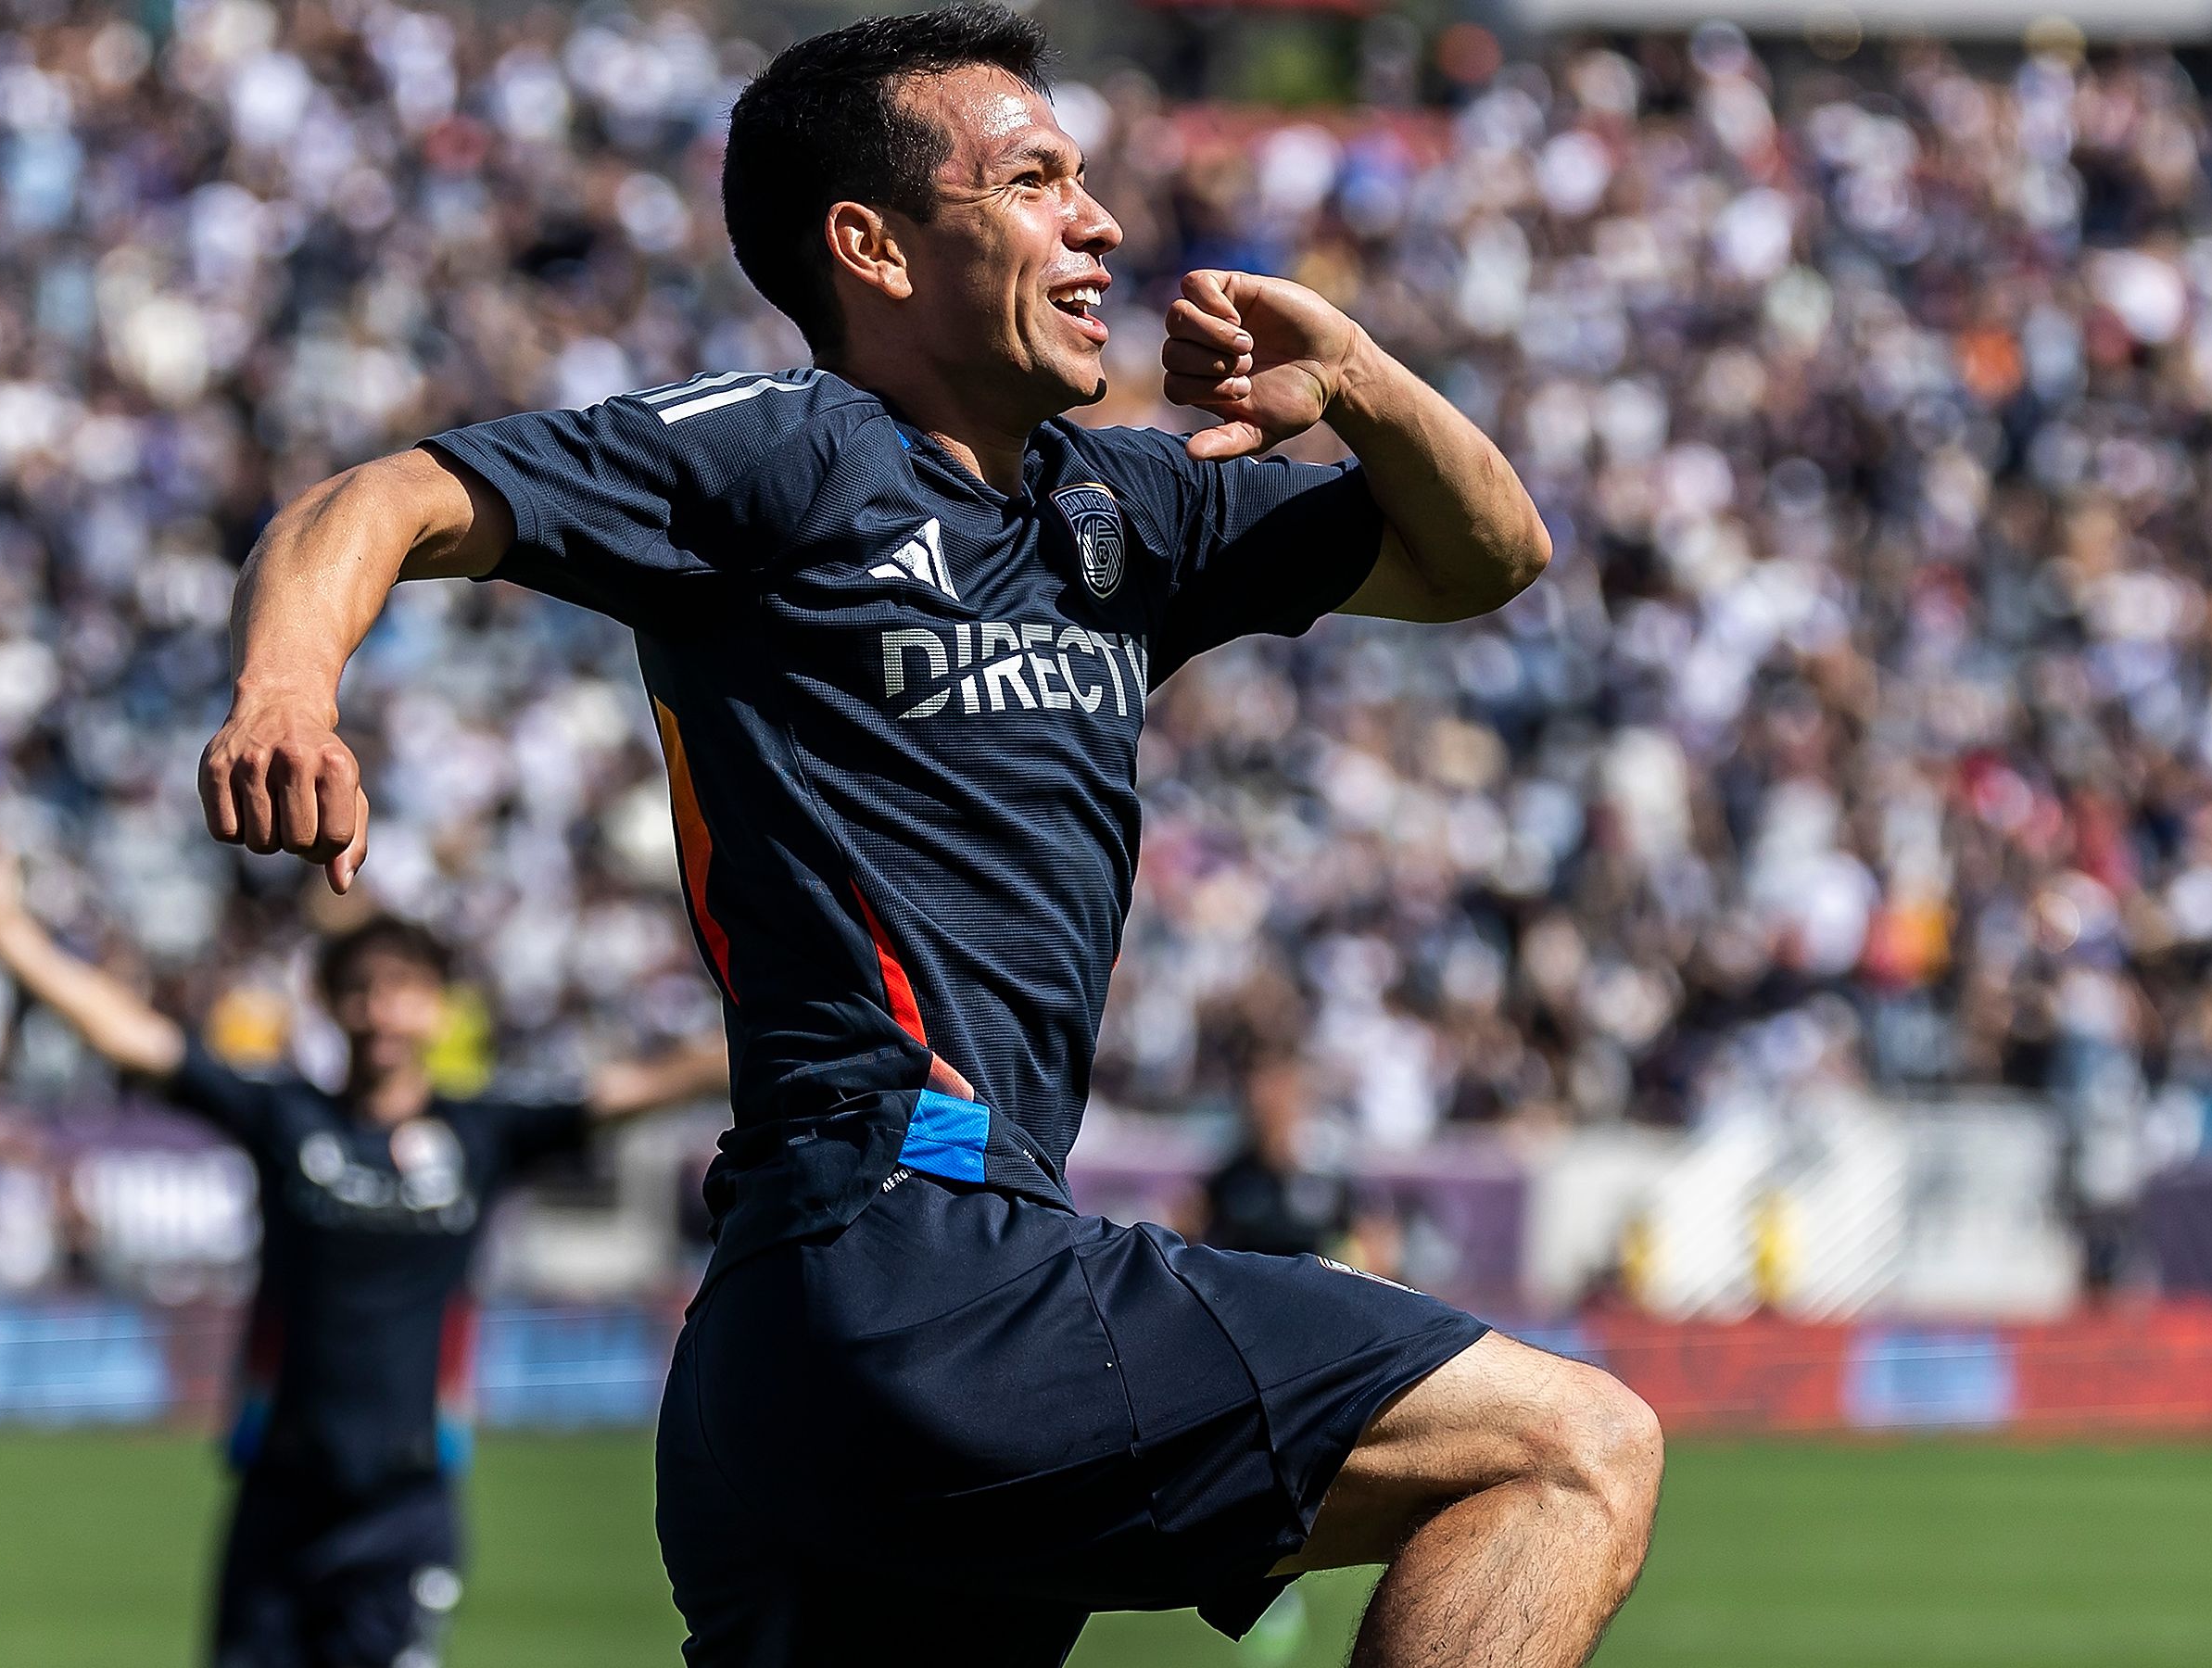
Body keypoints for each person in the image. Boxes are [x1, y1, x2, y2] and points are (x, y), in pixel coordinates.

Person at [191, 6, 1662, 1663]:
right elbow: (381, 497)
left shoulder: (1125, 512)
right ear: (873, 248)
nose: (1100, 221)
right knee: (1572, 1448)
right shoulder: (784, 455)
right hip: (909, 1258)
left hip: (827, 1341)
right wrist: (286, 694)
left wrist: (1364, 378)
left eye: (1087, 177)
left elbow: (1489, 555)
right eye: (1038, 180)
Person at [0, 830, 728, 1668]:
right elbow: (135, 1042)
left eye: (403, 991)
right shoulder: (288, 1120)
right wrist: (9, 937)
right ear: (332, 1006)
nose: (381, 1011)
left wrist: (811, 1019)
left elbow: (643, 1087)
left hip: (407, 1503)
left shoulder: (484, 1134)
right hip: (280, 1497)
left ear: (440, 1008)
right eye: (360, 991)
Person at [1197, 1052, 1395, 1272]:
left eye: (1280, 1097)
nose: (1268, 1106)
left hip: (1316, 1294)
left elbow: (1369, 1243)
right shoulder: (1232, 1179)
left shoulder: (1327, 1173)